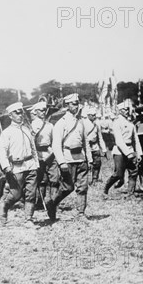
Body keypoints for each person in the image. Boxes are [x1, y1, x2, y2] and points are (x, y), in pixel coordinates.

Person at [49, 93, 92, 221]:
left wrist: (89, 159)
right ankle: (52, 203)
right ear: (67, 105)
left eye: (77, 103)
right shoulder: (61, 123)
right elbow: (56, 145)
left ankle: (81, 213)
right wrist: (61, 162)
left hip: (81, 158)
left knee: (83, 187)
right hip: (68, 158)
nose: (76, 106)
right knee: (68, 187)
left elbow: (85, 142)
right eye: (73, 104)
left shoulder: (81, 122)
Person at [0, 102, 39, 227]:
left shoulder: (26, 130)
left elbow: (33, 148)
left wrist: (36, 163)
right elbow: (1, 151)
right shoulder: (7, 132)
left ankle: (29, 219)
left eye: (21, 112)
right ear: (10, 115)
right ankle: (4, 206)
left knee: (31, 193)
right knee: (16, 194)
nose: (20, 115)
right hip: (16, 167)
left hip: (30, 165)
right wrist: (6, 166)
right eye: (17, 112)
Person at [103, 100, 143, 196]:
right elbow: (119, 141)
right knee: (118, 174)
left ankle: (130, 193)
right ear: (120, 111)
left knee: (134, 172)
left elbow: (136, 140)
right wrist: (128, 153)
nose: (127, 111)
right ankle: (105, 189)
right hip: (119, 151)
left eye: (128, 109)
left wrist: (139, 153)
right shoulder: (117, 123)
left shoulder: (131, 124)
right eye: (125, 109)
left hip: (130, 149)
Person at [30, 101, 57, 210]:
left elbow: (54, 140)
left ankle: (53, 202)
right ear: (35, 112)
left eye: (44, 110)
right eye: (40, 110)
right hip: (38, 154)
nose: (43, 112)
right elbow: (31, 142)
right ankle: (40, 202)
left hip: (49, 153)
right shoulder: (33, 125)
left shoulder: (50, 125)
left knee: (55, 178)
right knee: (41, 180)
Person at [84, 107, 107, 184]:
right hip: (86, 147)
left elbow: (100, 137)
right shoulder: (84, 124)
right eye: (93, 115)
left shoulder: (97, 125)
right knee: (87, 164)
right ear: (88, 115)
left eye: (95, 115)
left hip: (95, 146)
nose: (95, 116)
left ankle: (95, 179)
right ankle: (85, 180)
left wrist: (104, 149)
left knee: (97, 163)